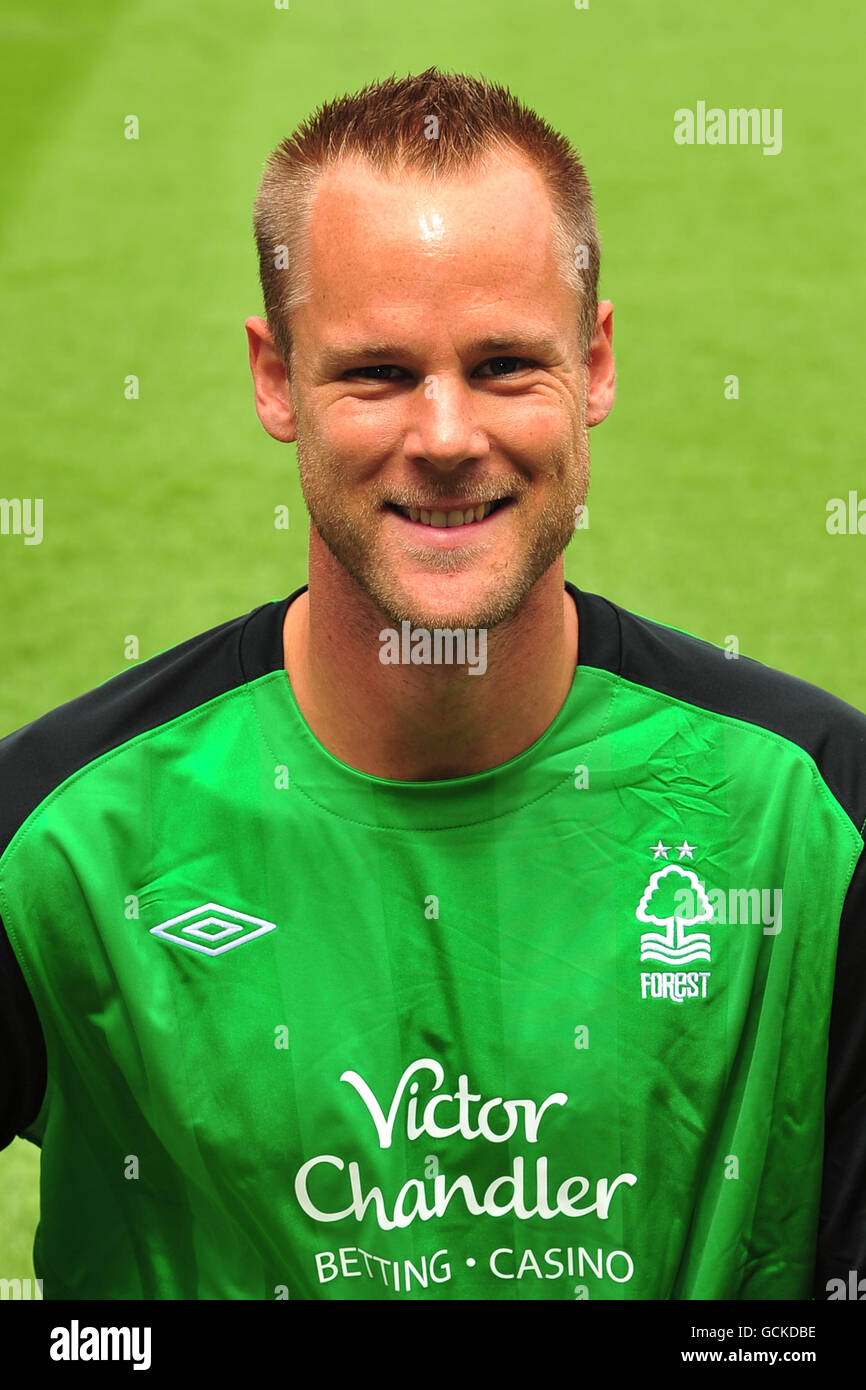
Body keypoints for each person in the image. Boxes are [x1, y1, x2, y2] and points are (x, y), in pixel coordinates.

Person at [0, 67, 864, 1302]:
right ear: (273, 378)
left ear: (594, 363)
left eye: (505, 364)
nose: (447, 436)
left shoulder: (815, 816)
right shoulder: (60, 842)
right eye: (377, 372)